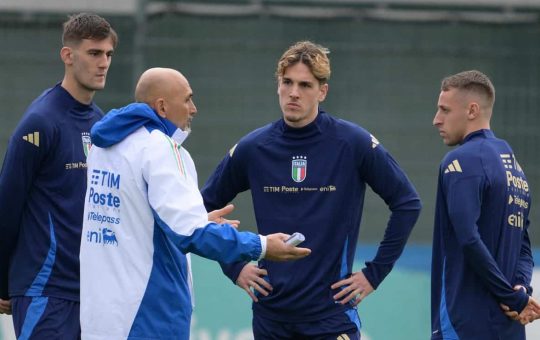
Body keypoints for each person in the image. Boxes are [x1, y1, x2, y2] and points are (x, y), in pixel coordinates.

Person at [201, 41, 422, 339]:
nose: (294, 92)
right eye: (287, 82)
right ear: (278, 85)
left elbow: (407, 203)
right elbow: (201, 208)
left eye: (305, 85)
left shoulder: (352, 143)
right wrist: (234, 265)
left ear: (322, 91)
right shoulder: (254, 148)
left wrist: (374, 274)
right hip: (271, 318)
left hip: (331, 316)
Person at [79, 67, 311, 339]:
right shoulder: (161, 147)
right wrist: (261, 246)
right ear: (162, 107)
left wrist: (200, 220)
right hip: (147, 317)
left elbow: (131, 220)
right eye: (187, 99)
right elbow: (191, 234)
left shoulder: (103, 148)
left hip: (100, 319)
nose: (194, 109)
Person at [0, 13, 117, 339]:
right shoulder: (40, 122)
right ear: (68, 55)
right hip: (44, 288)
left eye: (108, 54)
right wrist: (2, 281)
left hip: (92, 292)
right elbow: (6, 207)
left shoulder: (102, 124)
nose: (104, 63)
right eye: (94, 53)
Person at [431, 70, 540, 339]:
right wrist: (520, 290)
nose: (436, 120)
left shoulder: (461, 161)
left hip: (464, 323)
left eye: (444, 110)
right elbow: (524, 244)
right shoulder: (515, 169)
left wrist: (512, 297)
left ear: (472, 110)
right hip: (509, 325)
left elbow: (467, 238)